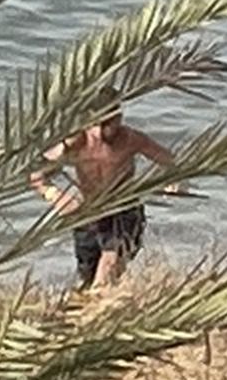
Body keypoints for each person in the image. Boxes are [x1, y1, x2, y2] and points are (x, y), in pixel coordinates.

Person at [29, 88, 178, 289]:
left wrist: (172, 180)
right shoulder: (76, 142)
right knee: (87, 280)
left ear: (118, 117)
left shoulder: (130, 139)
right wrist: (55, 195)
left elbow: (169, 160)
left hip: (123, 208)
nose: (99, 132)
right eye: (95, 124)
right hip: (89, 213)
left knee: (110, 263)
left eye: (107, 124)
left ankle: (99, 307)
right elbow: (36, 175)